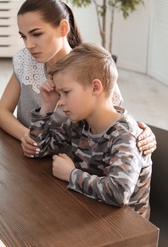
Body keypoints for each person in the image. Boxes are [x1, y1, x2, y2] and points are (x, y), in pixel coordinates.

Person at [0, 0, 157, 158]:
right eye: (24, 36)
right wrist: (26, 136)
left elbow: (112, 123)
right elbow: (1, 112)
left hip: (73, 168)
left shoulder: (92, 68)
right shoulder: (25, 60)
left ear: (63, 28)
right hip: (29, 158)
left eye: (36, 34)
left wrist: (140, 133)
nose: (29, 45)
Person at [30, 42, 152, 219]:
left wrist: (71, 175)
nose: (61, 101)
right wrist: (48, 105)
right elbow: (38, 148)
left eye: (66, 92)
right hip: (89, 211)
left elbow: (119, 193)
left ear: (95, 88)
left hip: (125, 231)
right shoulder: (81, 122)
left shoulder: (125, 135)